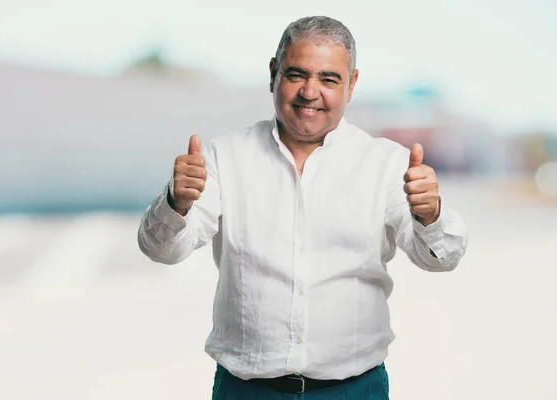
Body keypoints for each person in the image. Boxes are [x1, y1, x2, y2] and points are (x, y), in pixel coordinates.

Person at [138, 15, 468, 400]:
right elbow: (162, 251)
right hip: (245, 391)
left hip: (355, 390)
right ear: (273, 73)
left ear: (352, 85)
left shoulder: (386, 164)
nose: (310, 92)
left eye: (329, 79)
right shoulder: (223, 158)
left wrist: (430, 214)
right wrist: (177, 202)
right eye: (296, 74)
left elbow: (441, 259)